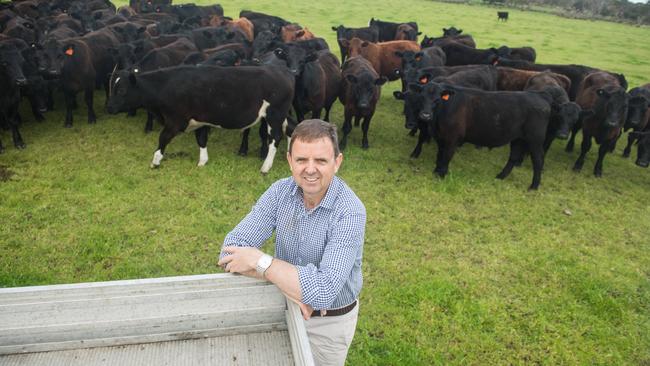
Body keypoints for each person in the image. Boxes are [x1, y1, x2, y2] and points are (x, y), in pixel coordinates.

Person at [218, 119, 366, 366]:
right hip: (283, 304)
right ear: (289, 161)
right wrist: (287, 286)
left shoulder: (350, 212)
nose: (310, 169)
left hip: (328, 325)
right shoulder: (279, 192)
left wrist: (259, 260)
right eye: (301, 160)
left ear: (337, 162)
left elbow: (324, 291)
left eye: (320, 160)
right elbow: (230, 250)